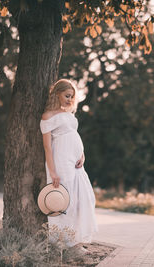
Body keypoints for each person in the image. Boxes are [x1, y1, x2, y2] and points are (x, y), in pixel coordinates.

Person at [40, 79, 98, 254]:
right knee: (65, 201)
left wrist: (82, 154)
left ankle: (76, 240)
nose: (69, 99)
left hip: (75, 162)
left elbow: (74, 135)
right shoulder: (48, 116)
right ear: (57, 93)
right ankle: (64, 244)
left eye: (71, 97)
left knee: (84, 198)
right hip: (61, 161)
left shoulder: (68, 113)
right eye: (66, 95)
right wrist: (53, 171)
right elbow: (47, 147)